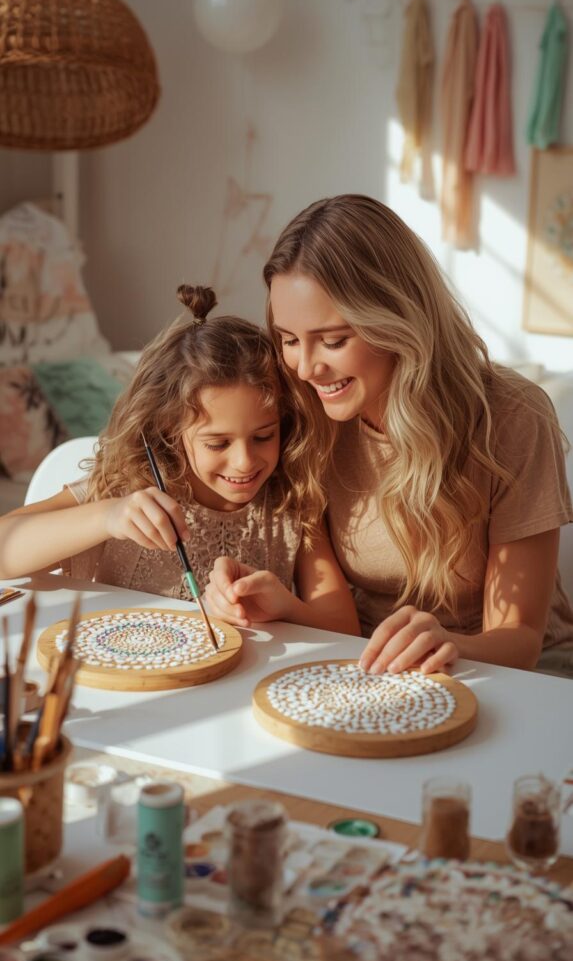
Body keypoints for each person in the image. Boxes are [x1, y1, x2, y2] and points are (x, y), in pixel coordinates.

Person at [206, 194, 573, 675]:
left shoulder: (513, 416)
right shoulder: (308, 412)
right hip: (367, 664)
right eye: (290, 340)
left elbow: (520, 641)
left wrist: (446, 644)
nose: (306, 367)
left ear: (398, 318)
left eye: (334, 341)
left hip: (514, 673)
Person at [0, 285, 360, 637]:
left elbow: (345, 630)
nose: (244, 461)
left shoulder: (291, 500)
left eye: (264, 436)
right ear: (170, 430)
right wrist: (108, 516)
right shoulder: (129, 486)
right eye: (217, 443)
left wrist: (283, 607)